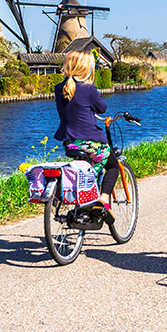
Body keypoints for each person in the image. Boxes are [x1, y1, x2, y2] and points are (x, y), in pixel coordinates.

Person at [54, 49, 118, 223]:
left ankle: (72, 195)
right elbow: (102, 108)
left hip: (70, 144)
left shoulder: (59, 88)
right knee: (113, 166)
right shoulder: (88, 88)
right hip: (91, 143)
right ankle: (103, 200)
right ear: (87, 68)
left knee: (84, 171)